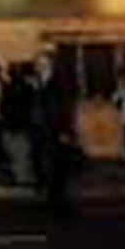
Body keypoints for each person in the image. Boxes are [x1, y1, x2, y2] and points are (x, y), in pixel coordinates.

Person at [31, 52, 78, 218]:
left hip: (55, 130)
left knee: (57, 169)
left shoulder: (57, 83)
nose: (38, 66)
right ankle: (54, 202)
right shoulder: (39, 83)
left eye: (41, 63)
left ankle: (61, 206)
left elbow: (63, 107)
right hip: (43, 131)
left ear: (49, 65)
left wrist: (65, 130)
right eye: (37, 64)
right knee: (48, 168)